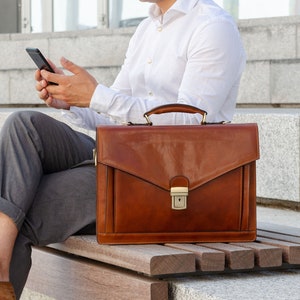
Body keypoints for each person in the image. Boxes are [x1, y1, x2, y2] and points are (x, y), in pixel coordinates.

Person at [0, 0, 246, 298]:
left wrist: (97, 95)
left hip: (165, 180)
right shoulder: (147, 29)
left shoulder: (212, 26)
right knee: (24, 126)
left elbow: (190, 120)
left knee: (25, 207)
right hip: (124, 156)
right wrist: (71, 99)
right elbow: (113, 113)